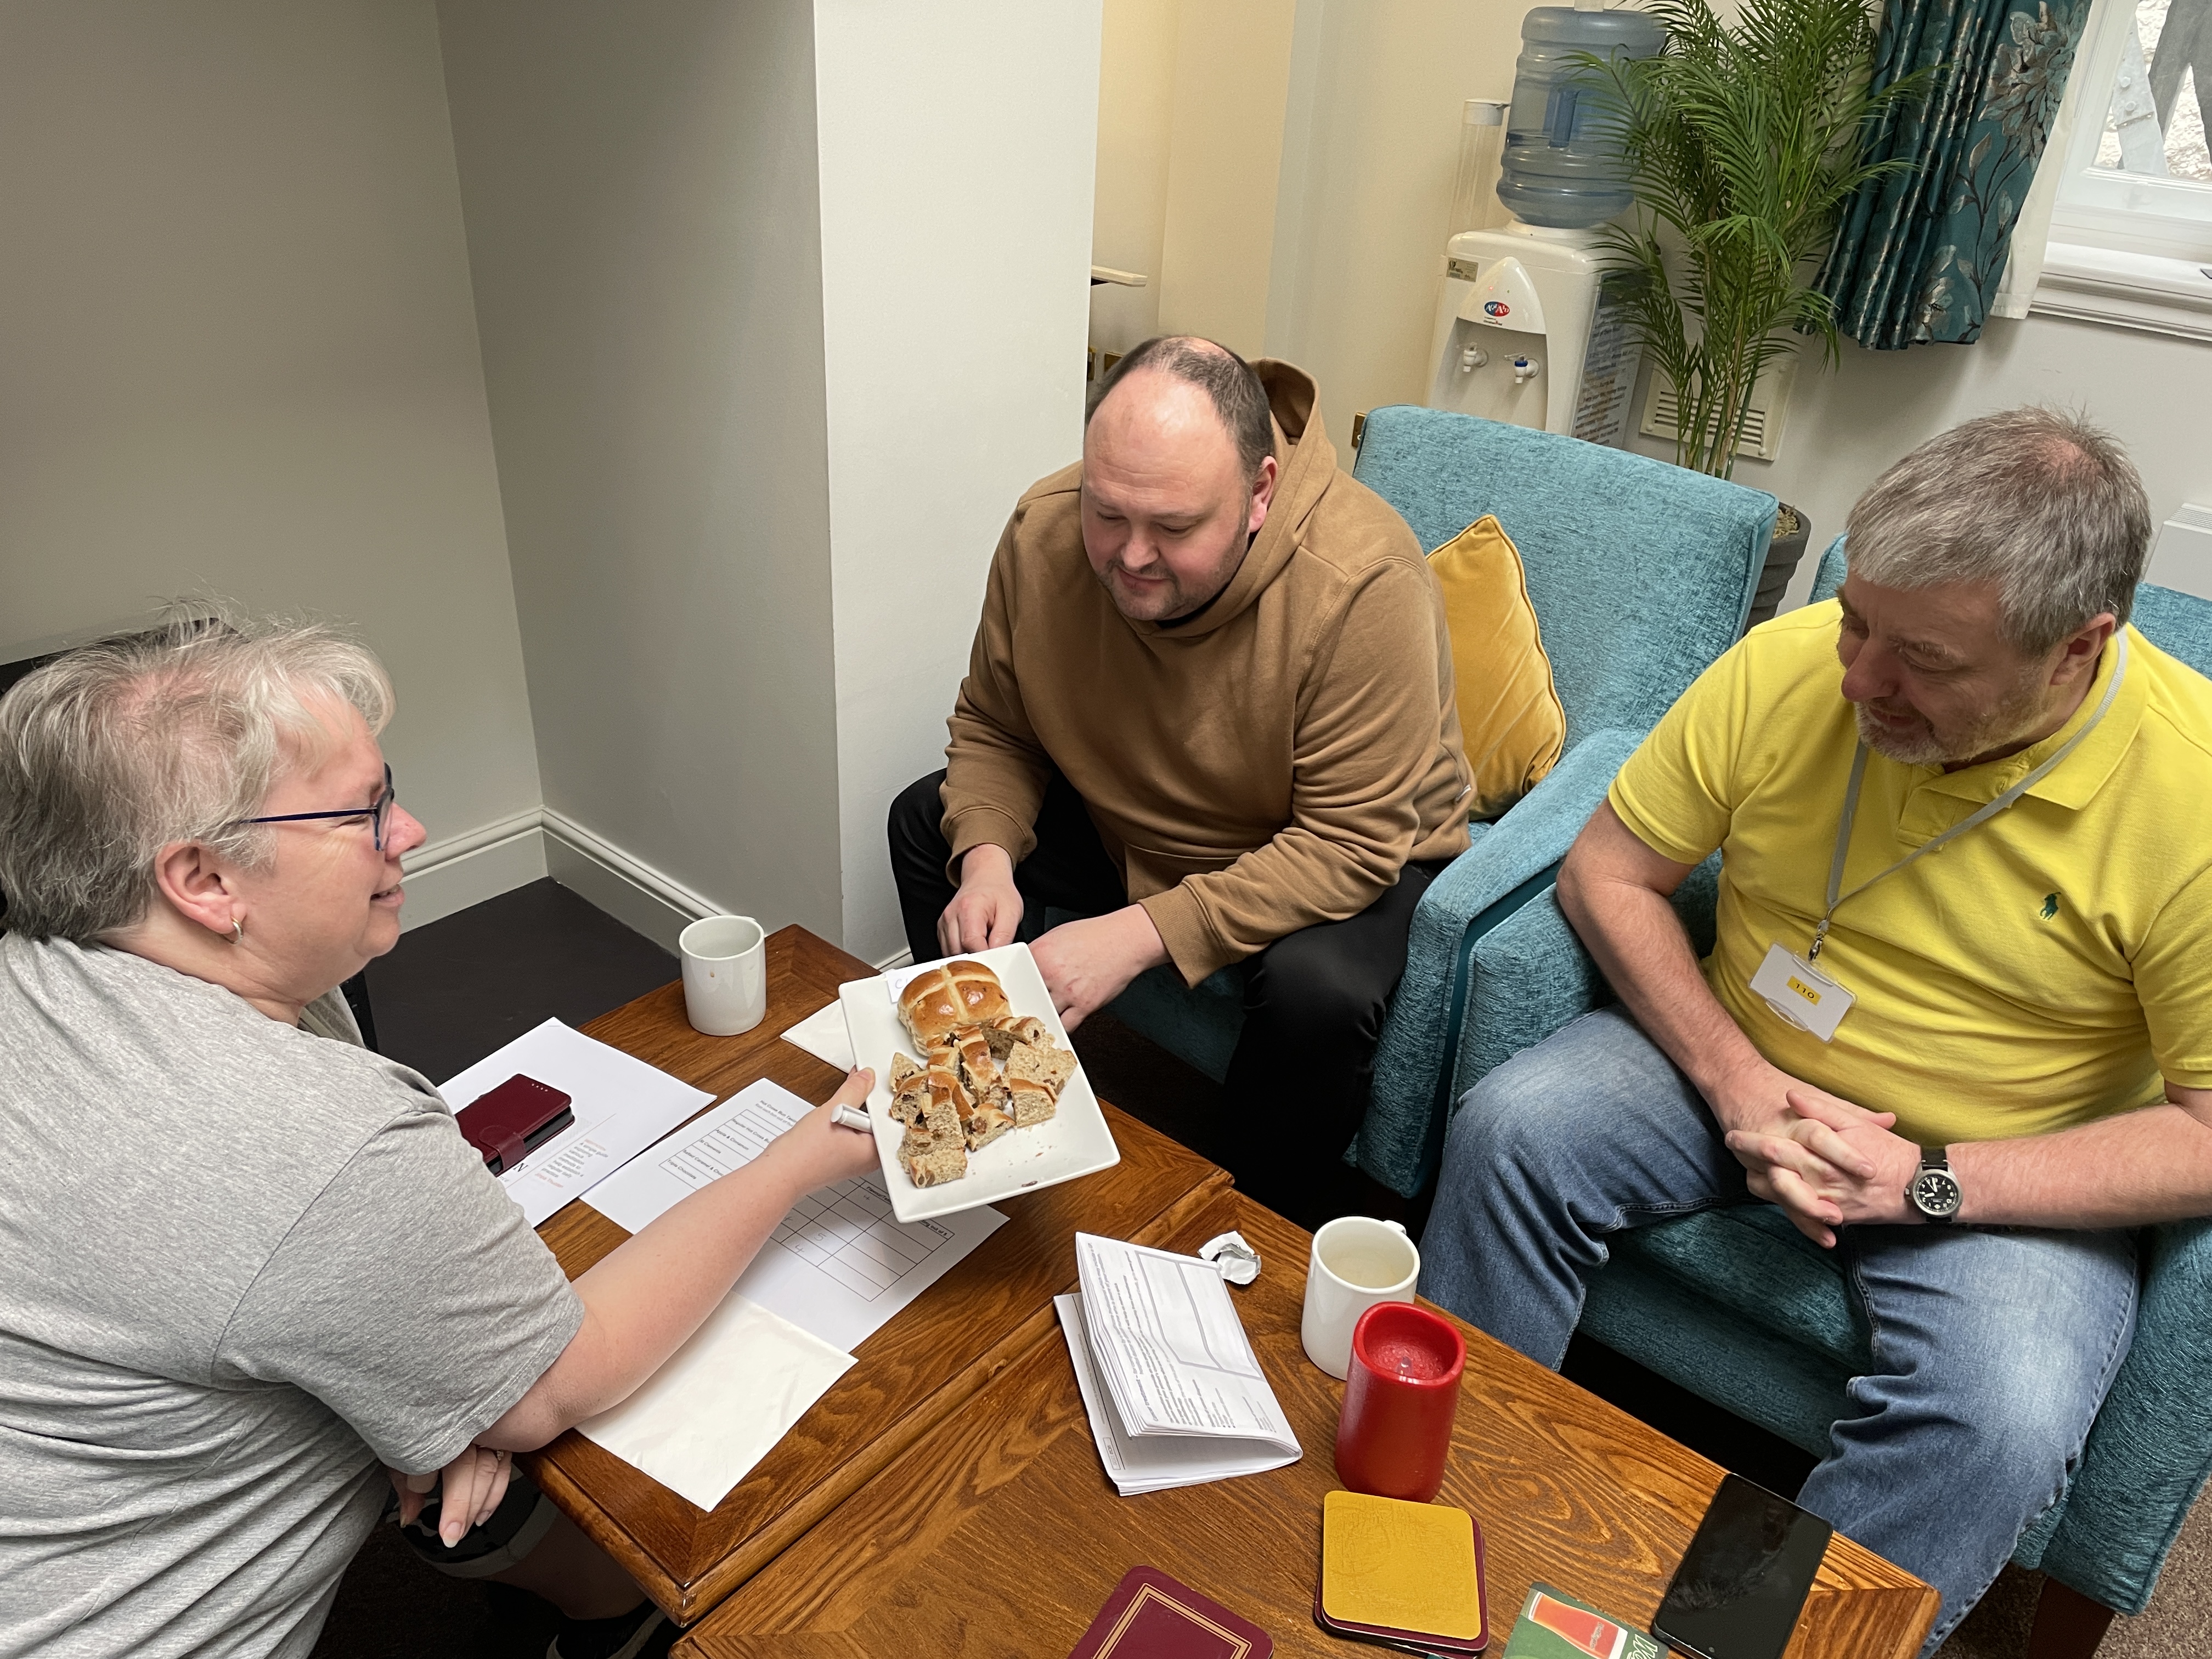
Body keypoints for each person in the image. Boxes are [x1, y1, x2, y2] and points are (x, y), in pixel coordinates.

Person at [1418, 408, 2212, 1652]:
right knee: (1517, 1131)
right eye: (1859, 624)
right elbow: (1607, 873)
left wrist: (1930, 1183)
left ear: (2077, 649)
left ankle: (1731, 1643)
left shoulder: (2195, 792)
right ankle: (1460, 1519)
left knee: (1999, 1410)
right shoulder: (1793, 666)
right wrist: (1734, 1078)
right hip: (1736, 1059)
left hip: (1999, 1163)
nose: (1858, 681)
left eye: (1926, 662)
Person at [0, 616, 878, 1659]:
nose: (410, 831)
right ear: (205, 882)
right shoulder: (312, 1141)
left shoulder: (56, 975)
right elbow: (557, 1378)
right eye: (362, 813)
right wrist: (794, 1162)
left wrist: (431, 1398)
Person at [886, 335, 1471, 1222]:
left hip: (1332, 843)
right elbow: (999, 726)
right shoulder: (1042, 530)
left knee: (1323, 995)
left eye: (1174, 527)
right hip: (1141, 817)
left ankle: (1245, 1226)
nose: (1130, 556)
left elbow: (1350, 841)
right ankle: (987, 1111)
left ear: (1259, 493)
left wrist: (1137, 933)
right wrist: (988, 859)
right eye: (1108, 513)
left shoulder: (1364, 581)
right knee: (928, 821)